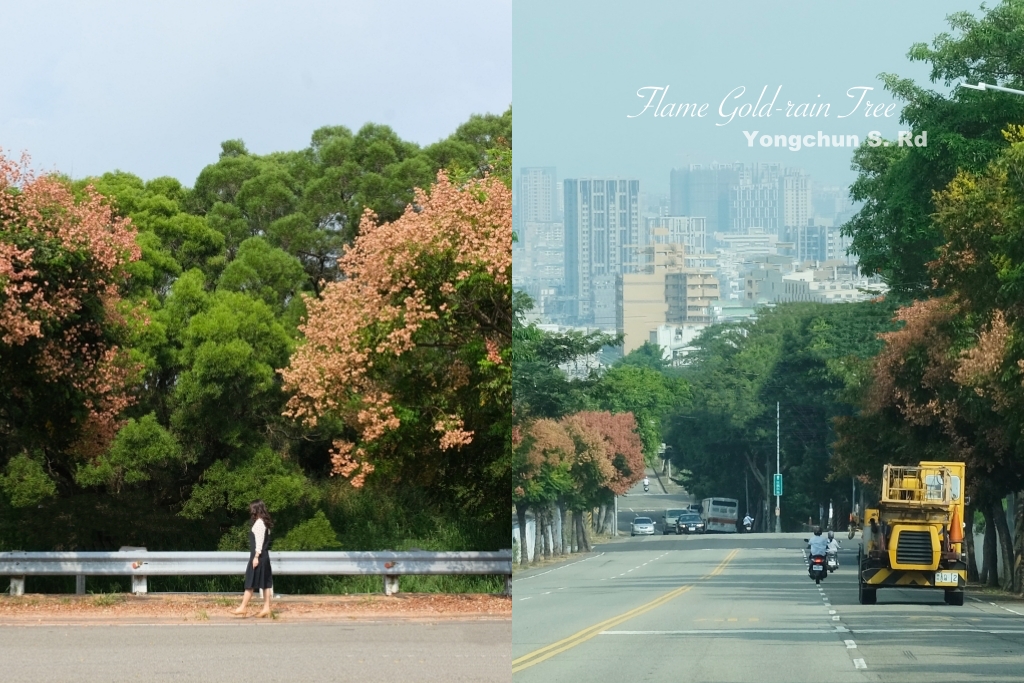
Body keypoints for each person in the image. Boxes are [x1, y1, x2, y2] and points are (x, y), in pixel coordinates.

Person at [232, 500, 274, 617]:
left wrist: (256, 557)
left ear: (256, 509)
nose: (251, 511)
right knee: (265, 583)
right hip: (264, 557)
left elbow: (259, 543)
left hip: (258, 556)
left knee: (250, 583)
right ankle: (266, 608)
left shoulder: (259, 523)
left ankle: (243, 607)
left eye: (252, 508)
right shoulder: (264, 522)